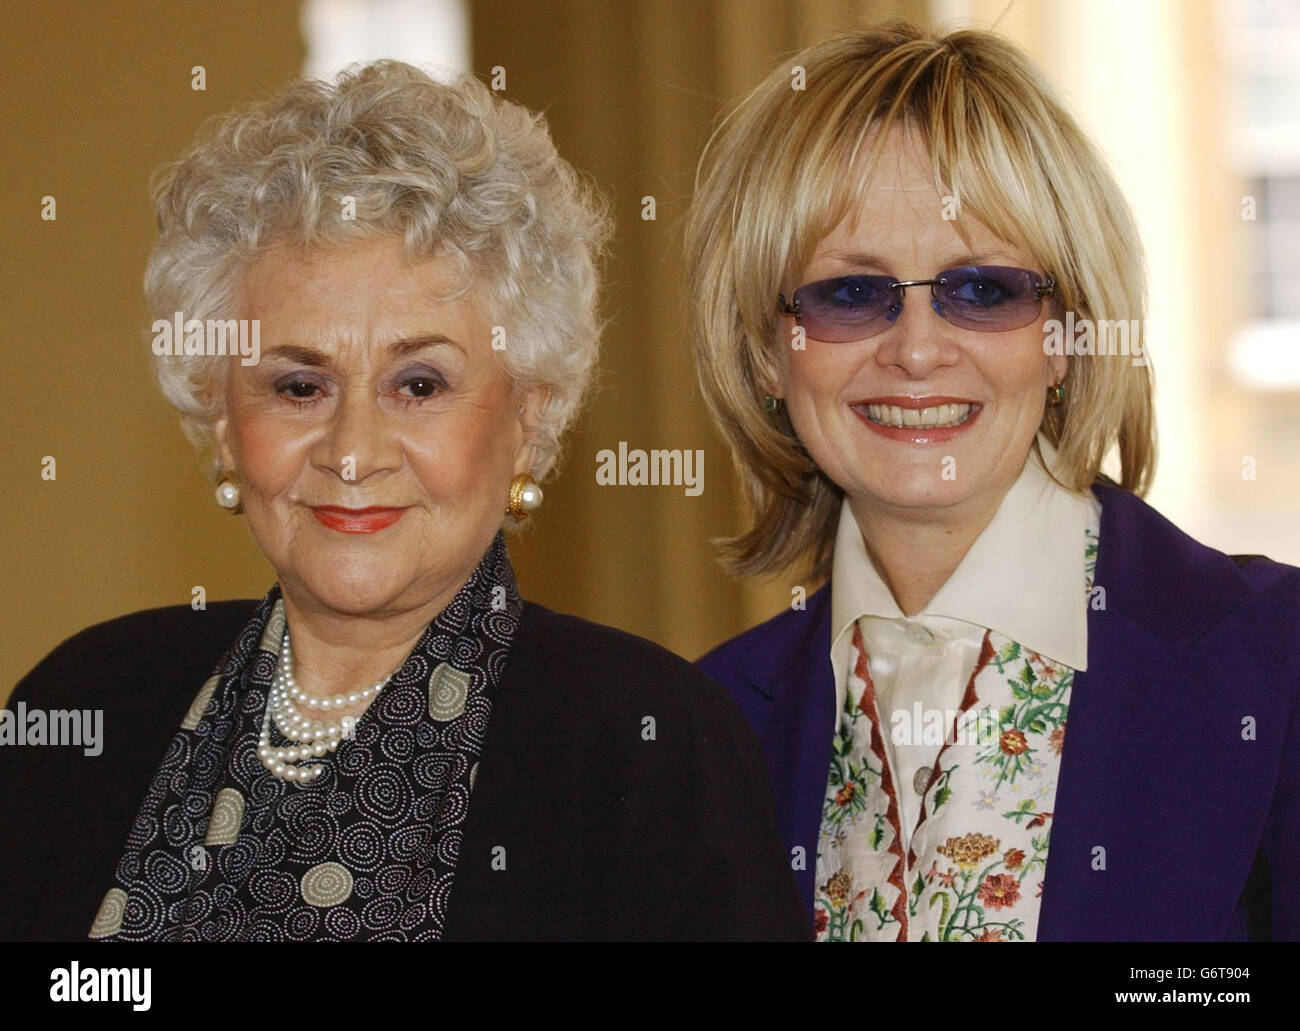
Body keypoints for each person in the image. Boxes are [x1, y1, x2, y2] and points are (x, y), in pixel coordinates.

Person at [0, 61, 807, 942]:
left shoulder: (646, 746)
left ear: (530, 420)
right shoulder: (87, 705)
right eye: (299, 385)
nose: (352, 453)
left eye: (418, 384)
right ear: (223, 419)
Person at [685, 22, 1299, 941]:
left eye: (983, 289)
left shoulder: (1274, 662)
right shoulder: (704, 728)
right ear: (768, 353)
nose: (920, 350)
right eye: (852, 294)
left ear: (1065, 335)